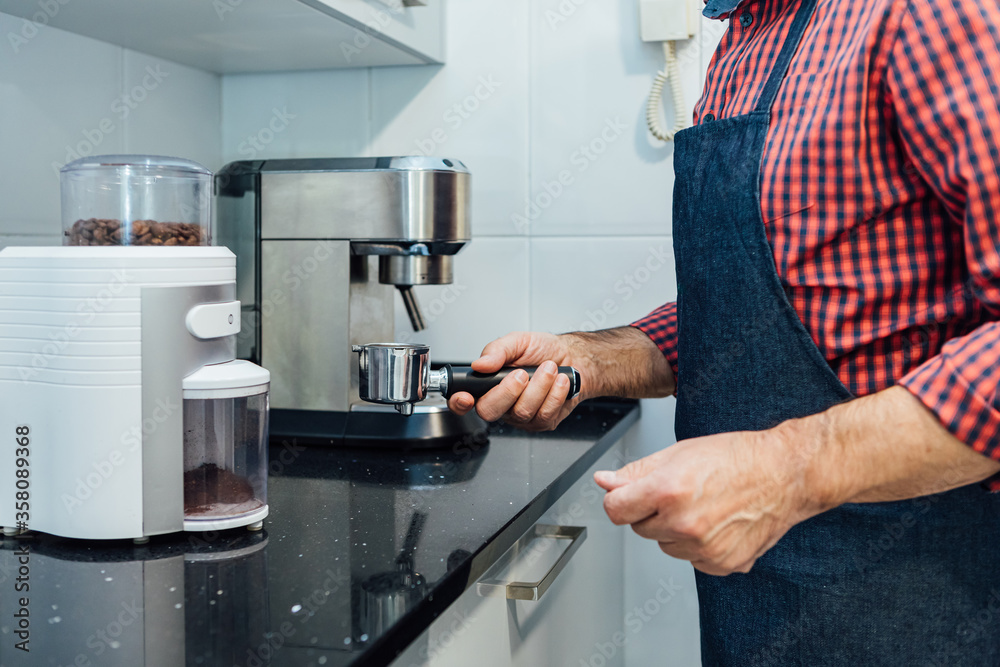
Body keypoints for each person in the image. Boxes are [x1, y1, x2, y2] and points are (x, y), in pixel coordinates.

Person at [449, 0, 1000, 662]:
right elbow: (755, 314)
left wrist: (784, 472)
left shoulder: (927, 13)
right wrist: (589, 360)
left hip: (917, 601)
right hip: (757, 609)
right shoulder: (740, 44)